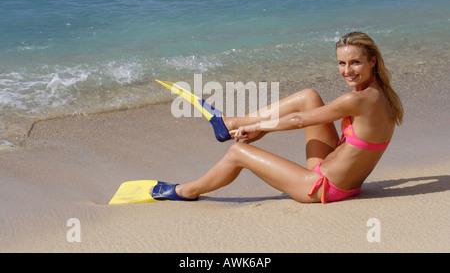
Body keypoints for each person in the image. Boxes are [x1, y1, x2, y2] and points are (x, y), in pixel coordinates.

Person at [150, 32, 404, 203]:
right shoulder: (383, 94)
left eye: (355, 63)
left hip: (321, 187)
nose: (347, 71)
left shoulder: (356, 100)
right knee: (308, 96)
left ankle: (187, 191)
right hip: (340, 177)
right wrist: (262, 130)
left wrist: (260, 127)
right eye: (341, 63)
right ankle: (232, 123)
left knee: (238, 153)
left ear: (372, 61)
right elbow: (306, 113)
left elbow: (300, 121)